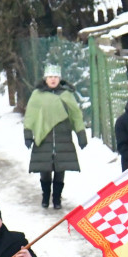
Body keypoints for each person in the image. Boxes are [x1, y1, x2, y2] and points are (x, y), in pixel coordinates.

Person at [23, 65, 88, 209]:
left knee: (60, 169)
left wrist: (80, 134)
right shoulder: (37, 95)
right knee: (45, 169)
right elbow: (30, 115)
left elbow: (76, 115)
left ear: (59, 78)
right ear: (45, 79)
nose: (53, 80)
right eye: (50, 77)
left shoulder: (67, 94)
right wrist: (28, 133)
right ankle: (45, 197)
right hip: (44, 137)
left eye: (56, 77)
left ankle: (57, 199)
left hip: (62, 135)